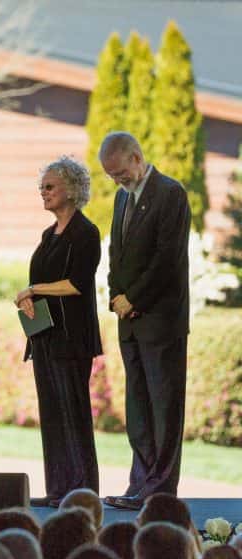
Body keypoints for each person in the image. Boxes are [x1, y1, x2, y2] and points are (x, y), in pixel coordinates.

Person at [99, 132, 191, 510]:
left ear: (136, 158)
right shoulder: (123, 198)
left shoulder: (170, 194)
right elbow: (116, 252)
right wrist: (116, 296)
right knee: (138, 407)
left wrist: (134, 298)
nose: (118, 182)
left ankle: (159, 490)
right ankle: (140, 483)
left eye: (121, 173)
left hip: (161, 321)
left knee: (164, 407)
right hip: (131, 321)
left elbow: (167, 259)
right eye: (112, 177)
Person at [14, 156, 102, 508]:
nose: (44, 193)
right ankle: (57, 489)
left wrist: (35, 289)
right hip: (44, 336)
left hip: (72, 338)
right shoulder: (47, 235)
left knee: (73, 414)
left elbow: (77, 284)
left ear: (72, 189)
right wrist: (29, 299)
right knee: (51, 415)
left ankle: (82, 492)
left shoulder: (86, 232)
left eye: (50, 187)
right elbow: (42, 285)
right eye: (42, 188)